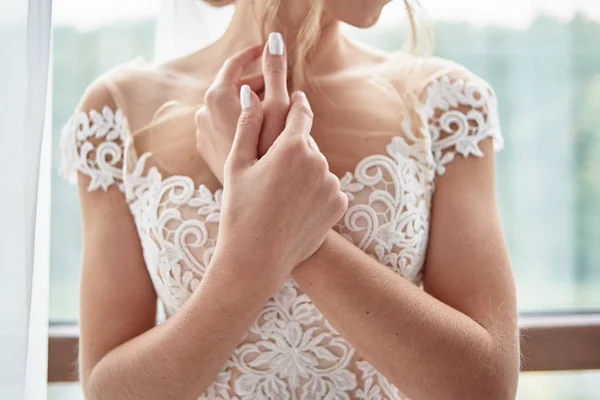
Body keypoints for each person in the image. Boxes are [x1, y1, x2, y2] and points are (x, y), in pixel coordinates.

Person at [60, 0, 520, 399]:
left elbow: (486, 387)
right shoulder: (119, 111)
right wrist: (264, 238)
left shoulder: (446, 104)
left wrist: (277, 208)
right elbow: (109, 391)